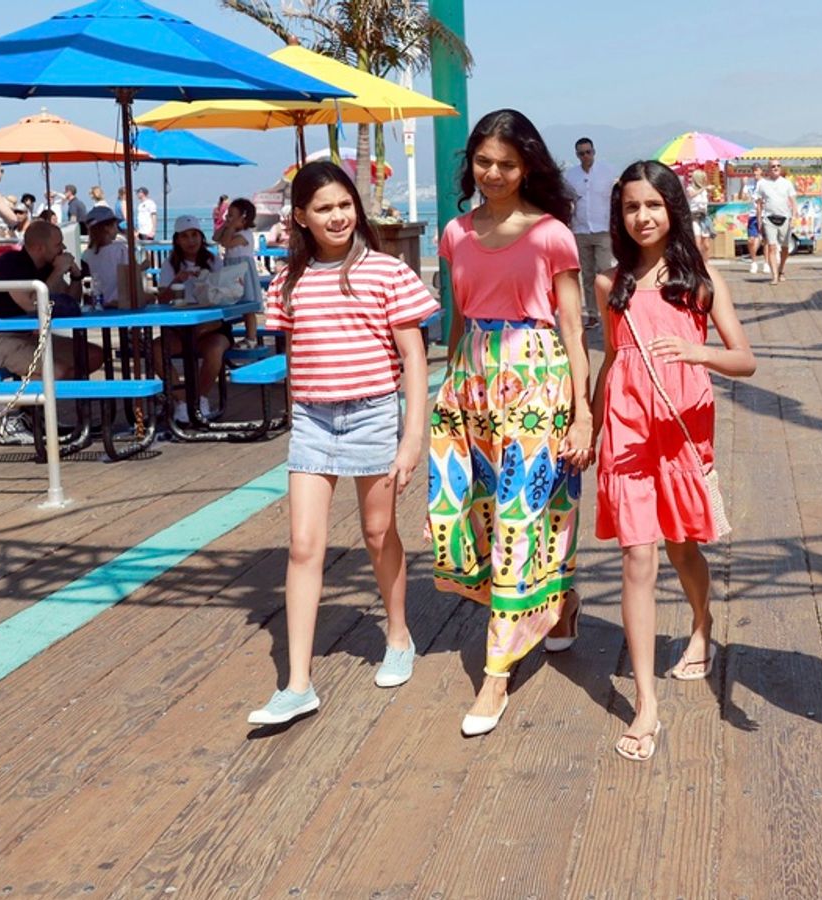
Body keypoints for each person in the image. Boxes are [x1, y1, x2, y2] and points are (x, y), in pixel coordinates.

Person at [246, 161, 438, 726]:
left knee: (378, 534)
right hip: (311, 420)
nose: (337, 216)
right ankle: (298, 683)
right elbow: (292, 357)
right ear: (300, 218)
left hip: (374, 415)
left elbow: (414, 358)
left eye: (345, 205)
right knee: (303, 545)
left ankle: (398, 635)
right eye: (324, 208)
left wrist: (412, 437)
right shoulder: (288, 282)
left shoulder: (386, 273)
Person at [427, 109, 593, 737]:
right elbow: (460, 317)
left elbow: (575, 329)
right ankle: (565, 602)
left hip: (536, 379)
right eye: (483, 161)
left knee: (524, 515)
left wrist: (583, 414)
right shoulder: (454, 233)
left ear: (528, 167)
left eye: (507, 163)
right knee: (476, 513)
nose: (493, 173)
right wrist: (449, 389)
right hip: (471, 381)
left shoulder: (551, 234)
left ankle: (496, 672)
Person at [591, 161, 756, 761]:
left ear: (672, 210)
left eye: (653, 205)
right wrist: (590, 421)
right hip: (628, 430)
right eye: (632, 207)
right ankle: (646, 705)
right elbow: (612, 360)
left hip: (683, 428)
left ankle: (701, 627)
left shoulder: (702, 279)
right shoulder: (611, 285)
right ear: (620, 214)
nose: (642, 217)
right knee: (638, 556)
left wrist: (696, 351)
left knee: (684, 545)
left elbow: (746, 360)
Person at [0, 221, 103, 441]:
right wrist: (58, 271)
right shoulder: (12, 264)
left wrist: (76, 276)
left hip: (27, 338)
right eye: (58, 244)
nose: (63, 249)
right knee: (56, 371)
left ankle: (36, 410)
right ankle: (7, 416)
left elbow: (70, 301)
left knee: (92, 356)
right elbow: (32, 303)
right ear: (39, 247)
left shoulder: (45, 269)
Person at [160, 214, 229, 424]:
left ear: (201, 237)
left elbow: (225, 295)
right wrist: (176, 281)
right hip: (180, 326)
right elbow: (161, 298)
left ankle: (199, 398)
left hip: (211, 326)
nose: (191, 241)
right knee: (156, 349)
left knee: (215, 349)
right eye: (185, 236)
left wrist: (207, 283)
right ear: (177, 240)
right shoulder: (170, 264)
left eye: (194, 235)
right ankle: (182, 401)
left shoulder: (213, 261)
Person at [567, 137, 618, 328]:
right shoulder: (570, 176)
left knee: (605, 271)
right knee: (587, 275)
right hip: (580, 230)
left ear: (594, 152)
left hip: (603, 228)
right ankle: (592, 313)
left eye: (588, 152)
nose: (585, 156)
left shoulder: (608, 171)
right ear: (576, 155)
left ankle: (611, 308)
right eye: (581, 153)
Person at [214, 197, 262, 345]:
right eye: (228, 215)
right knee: (230, 302)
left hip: (242, 270)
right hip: (230, 269)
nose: (228, 218)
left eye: (232, 216)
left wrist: (230, 227)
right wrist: (226, 225)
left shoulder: (245, 235)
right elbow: (216, 237)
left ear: (244, 218)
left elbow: (226, 243)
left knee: (247, 305)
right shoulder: (231, 230)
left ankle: (251, 337)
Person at [753, 159, 798, 285]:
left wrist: (794, 217)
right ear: (768, 169)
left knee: (785, 247)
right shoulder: (762, 184)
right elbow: (759, 203)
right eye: (773, 166)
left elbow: (794, 202)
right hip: (769, 218)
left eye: (778, 166)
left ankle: (781, 269)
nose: (776, 168)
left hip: (785, 218)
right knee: (772, 247)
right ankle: (774, 276)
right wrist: (759, 221)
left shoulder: (787, 183)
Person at [79, 206, 127, 307]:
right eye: (114, 226)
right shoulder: (120, 249)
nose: (117, 229)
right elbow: (128, 273)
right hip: (120, 302)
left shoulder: (87, 254)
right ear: (107, 228)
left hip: (98, 303)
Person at [685, 168, 714, 258]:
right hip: (694, 217)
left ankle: (706, 262)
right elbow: (692, 194)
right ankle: (698, 263)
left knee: (706, 244)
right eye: (703, 178)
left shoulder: (704, 190)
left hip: (704, 217)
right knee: (697, 243)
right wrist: (704, 188)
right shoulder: (690, 188)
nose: (705, 179)